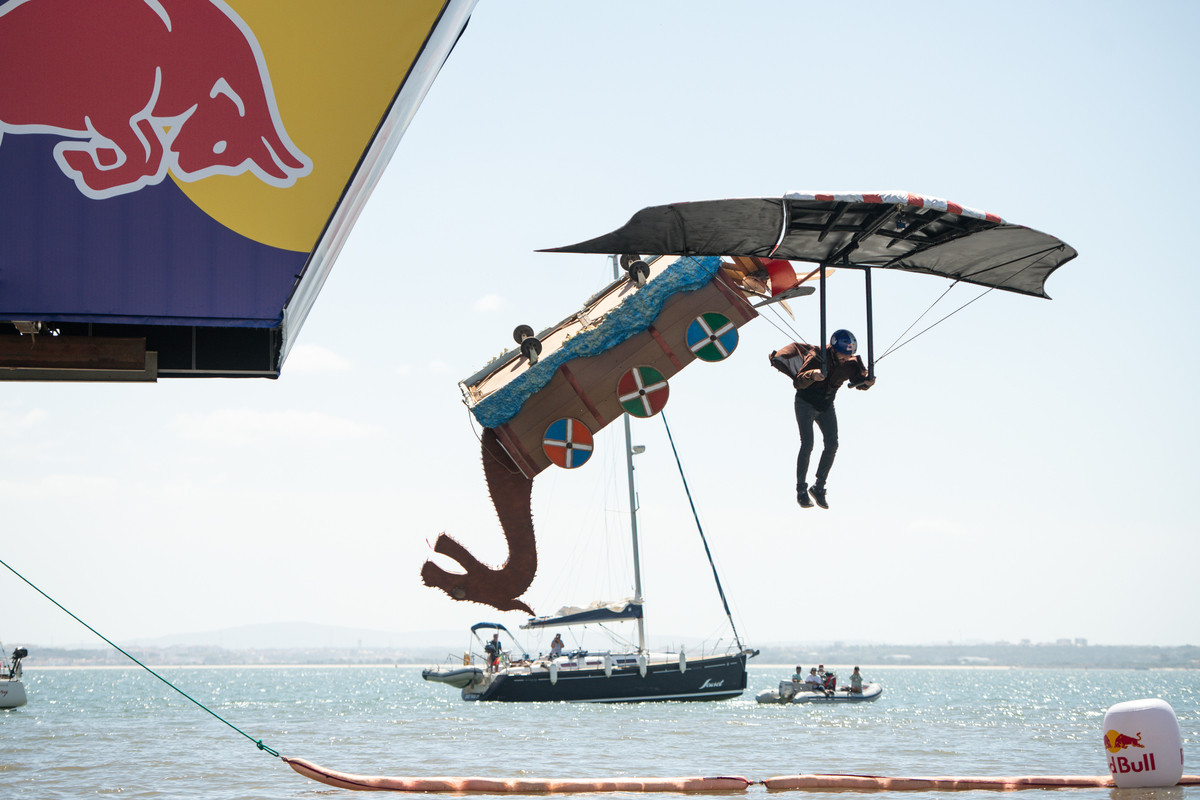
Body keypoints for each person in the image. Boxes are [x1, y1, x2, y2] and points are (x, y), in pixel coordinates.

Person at [770, 330, 875, 510]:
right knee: (808, 444)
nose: (846, 358)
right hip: (806, 402)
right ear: (834, 350)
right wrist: (813, 375)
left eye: (849, 354)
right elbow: (798, 382)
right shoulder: (817, 357)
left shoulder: (852, 362)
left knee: (832, 444)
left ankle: (819, 487)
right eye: (843, 354)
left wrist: (867, 383)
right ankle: (801, 490)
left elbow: (859, 382)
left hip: (826, 405)